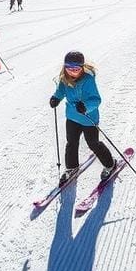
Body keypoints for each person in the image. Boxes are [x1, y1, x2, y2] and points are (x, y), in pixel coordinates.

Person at [49, 50, 116, 182]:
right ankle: (71, 167)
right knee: (71, 143)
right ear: (65, 67)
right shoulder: (64, 77)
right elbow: (61, 90)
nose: (72, 71)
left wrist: (86, 106)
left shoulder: (88, 80)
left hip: (88, 118)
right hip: (72, 117)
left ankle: (110, 164)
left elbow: (96, 99)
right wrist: (56, 97)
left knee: (93, 143)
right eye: (69, 68)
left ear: (82, 68)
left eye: (76, 68)